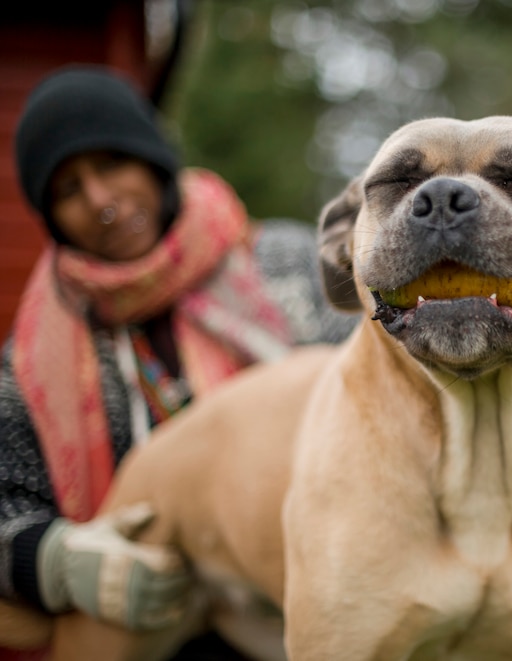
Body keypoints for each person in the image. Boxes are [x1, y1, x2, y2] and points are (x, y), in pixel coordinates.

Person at [0, 66, 354, 659]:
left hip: (321, 614)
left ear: (153, 158)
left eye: (112, 164)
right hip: (155, 637)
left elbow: (385, 397)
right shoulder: (30, 368)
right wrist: (57, 560)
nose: (101, 202)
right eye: (67, 190)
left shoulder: (292, 268)